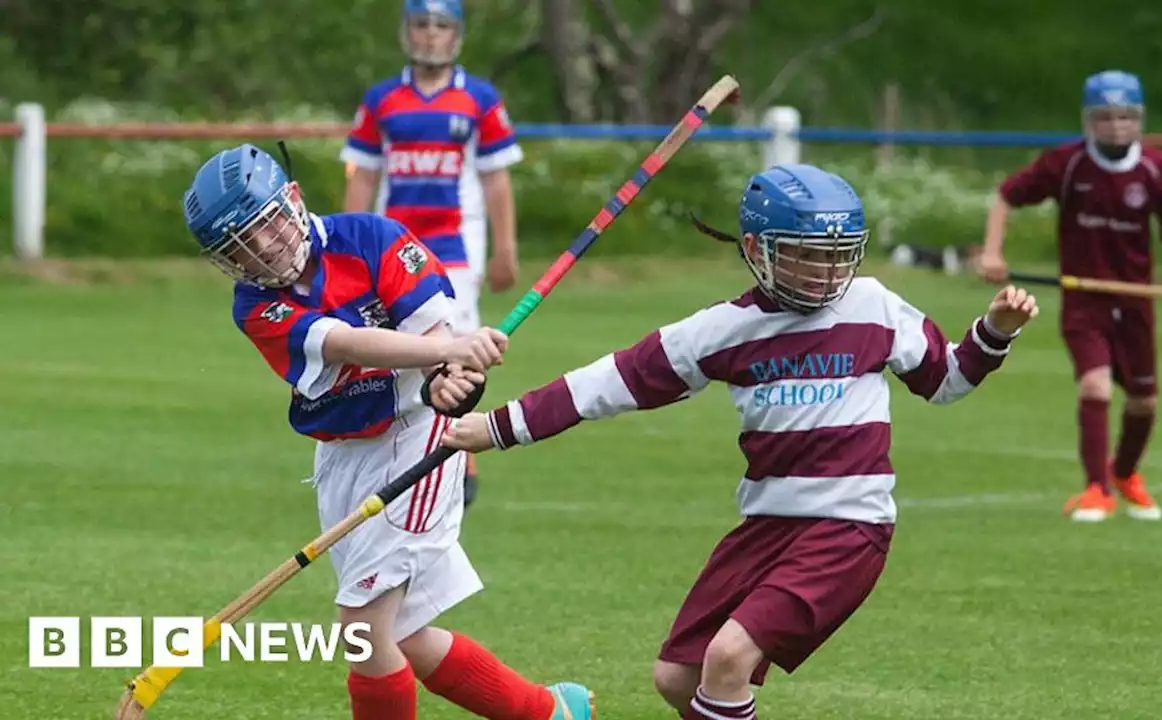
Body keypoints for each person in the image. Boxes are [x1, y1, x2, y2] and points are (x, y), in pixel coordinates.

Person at [440, 164, 1039, 719]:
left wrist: (993, 333)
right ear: (757, 250)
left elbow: (946, 382)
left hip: (847, 527)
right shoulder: (721, 330)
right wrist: (496, 428)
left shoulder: (875, 307)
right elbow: (609, 382)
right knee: (679, 677)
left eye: (838, 257)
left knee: (728, 661)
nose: (827, 273)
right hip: (766, 528)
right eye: (806, 256)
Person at [182, 143, 593, 720]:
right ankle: (551, 713)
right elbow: (343, 342)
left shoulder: (373, 238)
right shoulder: (254, 306)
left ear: (293, 202)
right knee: (402, 636)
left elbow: (443, 353)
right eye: (240, 248)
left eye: (265, 227)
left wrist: (448, 380)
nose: (262, 250)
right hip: (341, 458)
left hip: (418, 437)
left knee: (363, 631)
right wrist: (446, 352)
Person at [977, 69, 1162, 523]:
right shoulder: (1065, 165)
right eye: (1106, 116)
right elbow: (1007, 196)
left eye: (1126, 116)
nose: (1116, 125)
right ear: (1090, 120)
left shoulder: (1153, 170)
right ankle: (1095, 489)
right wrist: (992, 253)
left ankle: (1124, 474)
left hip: (1135, 302)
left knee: (1144, 402)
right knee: (1095, 385)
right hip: (1084, 301)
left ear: (1139, 119)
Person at [341, 0, 523, 509]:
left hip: (454, 254)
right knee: (397, 352)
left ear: (457, 36)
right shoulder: (382, 100)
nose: (430, 35)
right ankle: (403, 452)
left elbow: (496, 180)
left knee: (455, 352)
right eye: (421, 25)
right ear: (407, 32)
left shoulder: (479, 101)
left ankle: (461, 459)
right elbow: (363, 176)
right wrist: (345, 247)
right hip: (391, 255)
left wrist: (505, 248)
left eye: (441, 26)